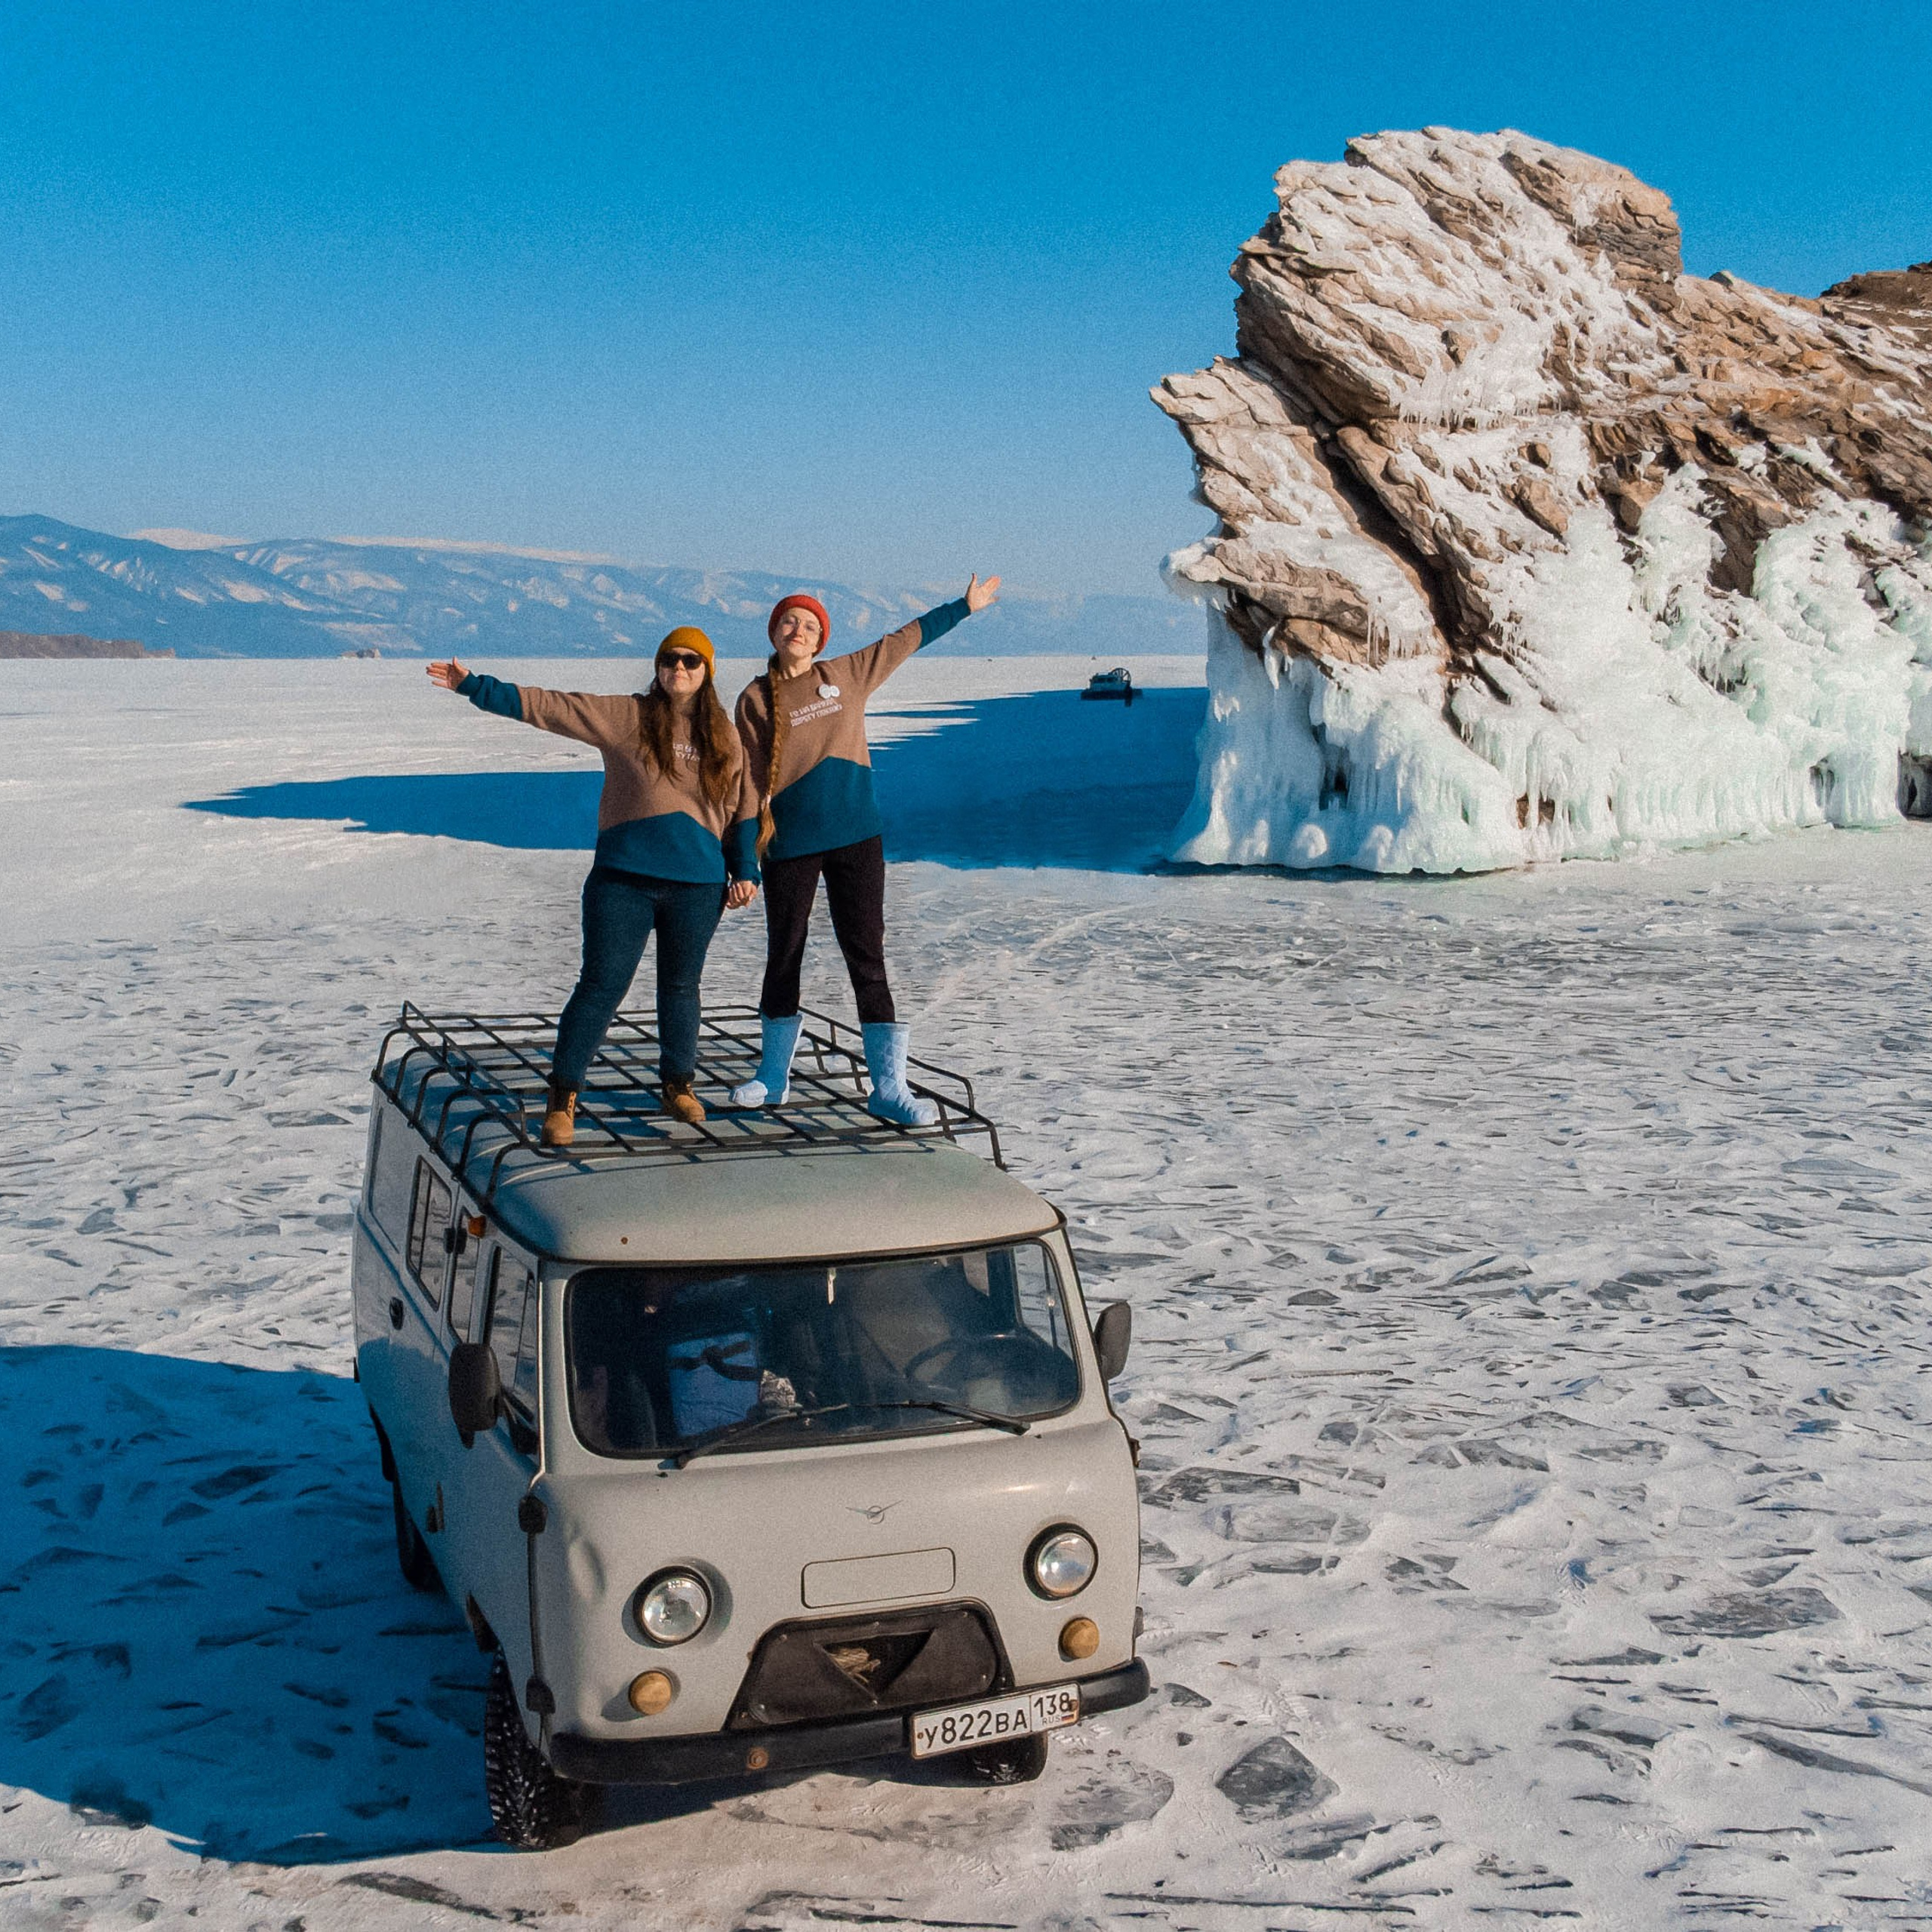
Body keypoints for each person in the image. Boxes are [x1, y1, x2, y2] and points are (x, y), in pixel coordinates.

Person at [426, 629, 758, 1145]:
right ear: (657, 666)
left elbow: (743, 810)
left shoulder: (726, 735)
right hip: (623, 880)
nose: (679, 669)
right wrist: (476, 687)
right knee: (601, 985)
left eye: (692, 662)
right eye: (669, 659)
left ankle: (678, 1085)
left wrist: (746, 871)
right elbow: (553, 707)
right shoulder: (628, 717)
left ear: (708, 670)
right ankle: (563, 1098)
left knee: (681, 986)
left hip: (697, 884)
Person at [728, 574, 999, 1123]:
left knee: (867, 958)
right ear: (774, 631)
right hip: (789, 845)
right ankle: (773, 1076)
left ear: (821, 639)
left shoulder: (846, 674)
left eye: (809, 625)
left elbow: (904, 638)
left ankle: (888, 1087)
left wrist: (964, 607)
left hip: (856, 838)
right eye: (789, 621)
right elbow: (747, 785)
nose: (798, 630)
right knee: (785, 953)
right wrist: (740, 861)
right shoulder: (756, 698)